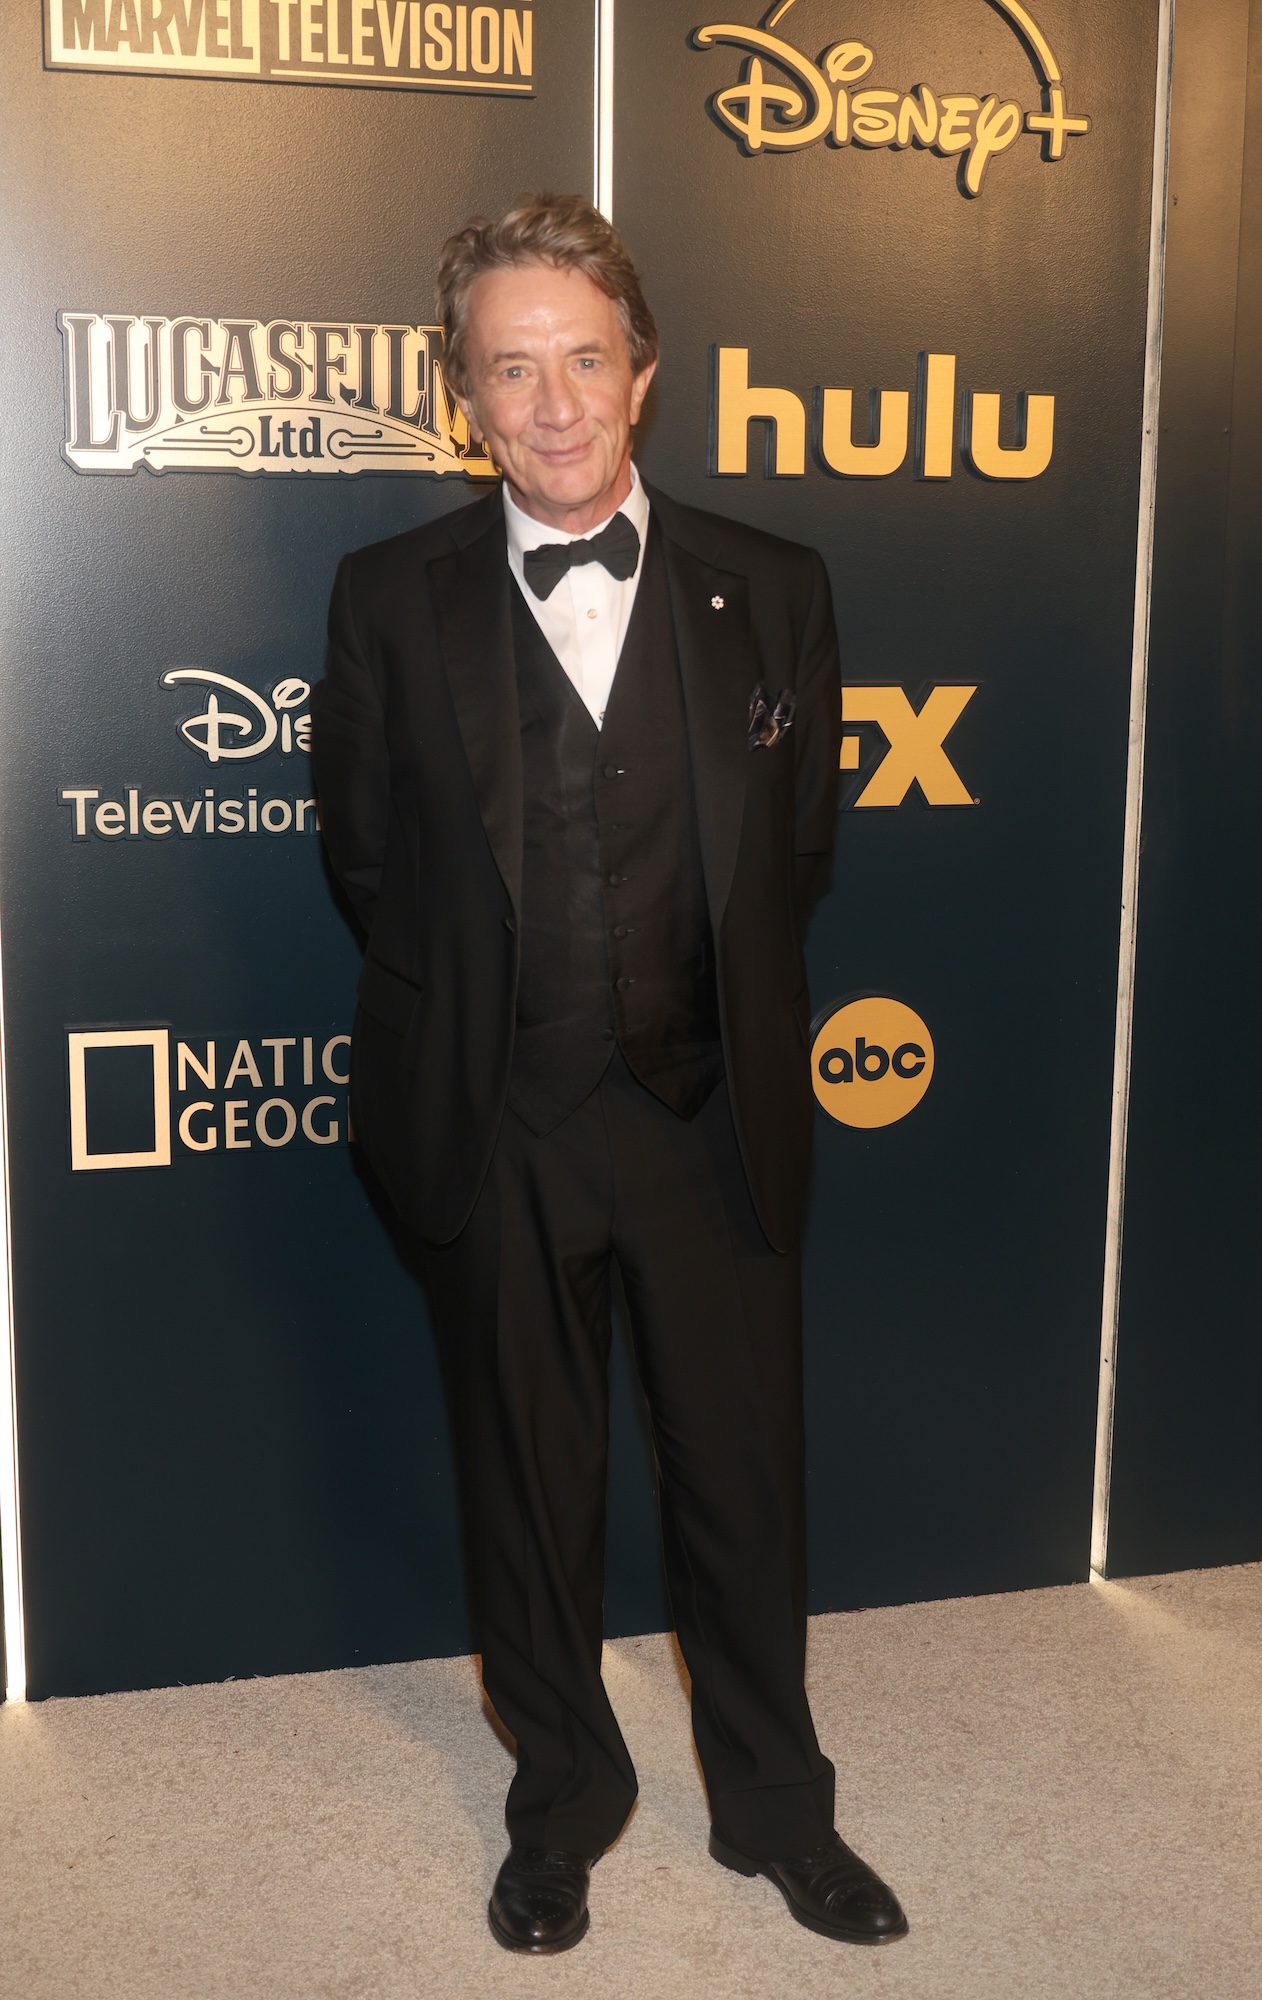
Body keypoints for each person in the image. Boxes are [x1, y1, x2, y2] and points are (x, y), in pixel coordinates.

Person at [312, 193, 907, 1955]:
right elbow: (368, 865)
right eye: (512, 370)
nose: (553, 403)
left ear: (643, 373)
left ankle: (776, 1810)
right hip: (494, 1119)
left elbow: (796, 855)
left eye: (583, 359)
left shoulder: (776, 585)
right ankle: (562, 1803)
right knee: (527, 1489)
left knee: (744, 1484)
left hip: (709, 1117)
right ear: (464, 398)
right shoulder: (385, 598)